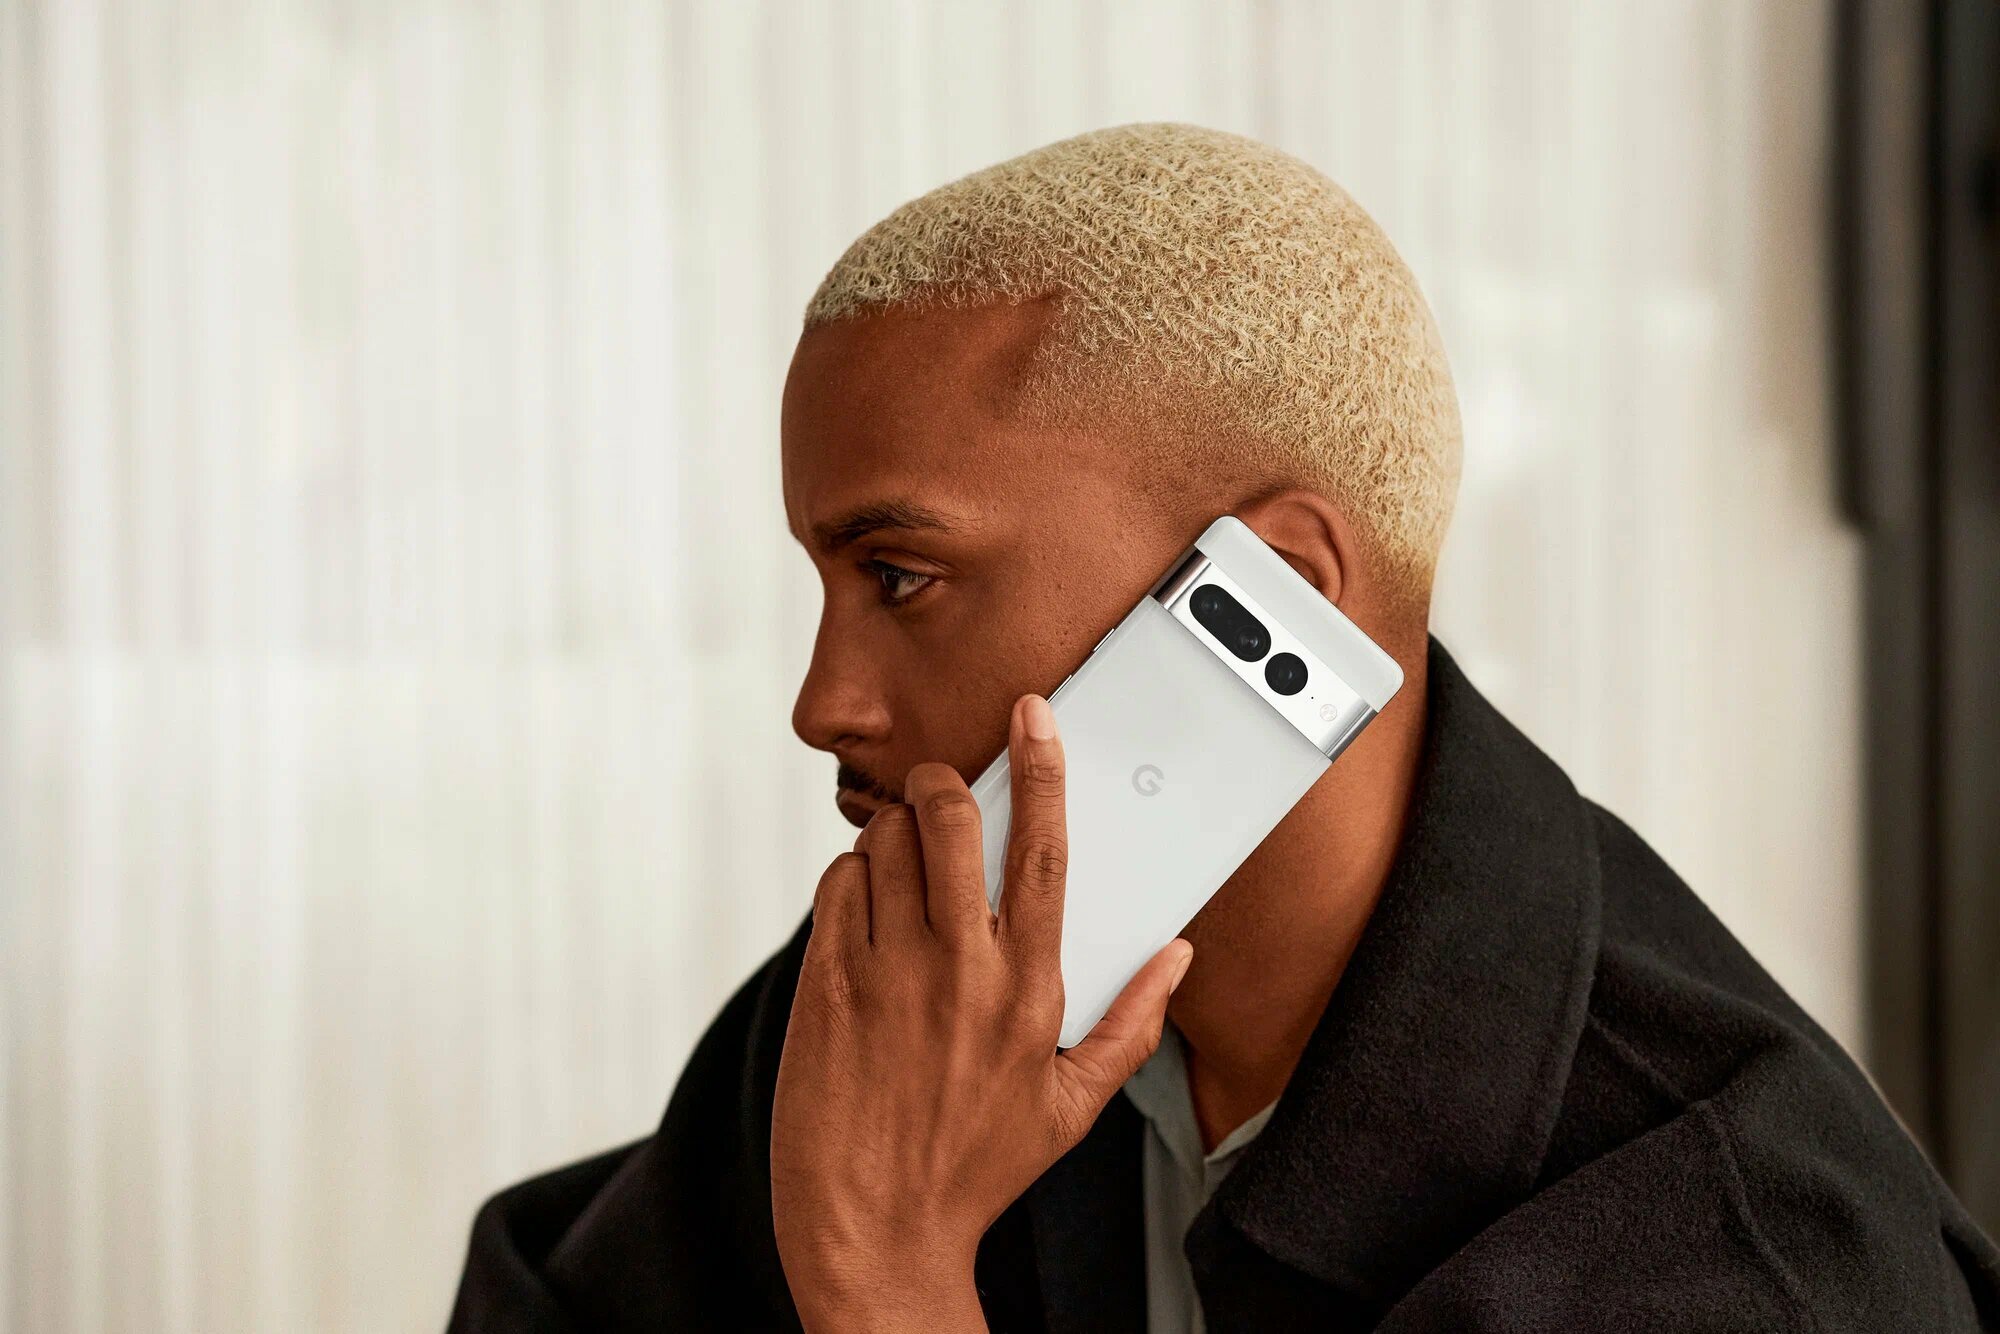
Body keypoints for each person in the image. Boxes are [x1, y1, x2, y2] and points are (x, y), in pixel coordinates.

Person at [447, 123, 2000, 1333]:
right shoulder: (953, 994)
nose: (821, 703)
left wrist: (892, 1283)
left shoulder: (1742, 1258)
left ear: (1279, 595)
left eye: (901, 578)